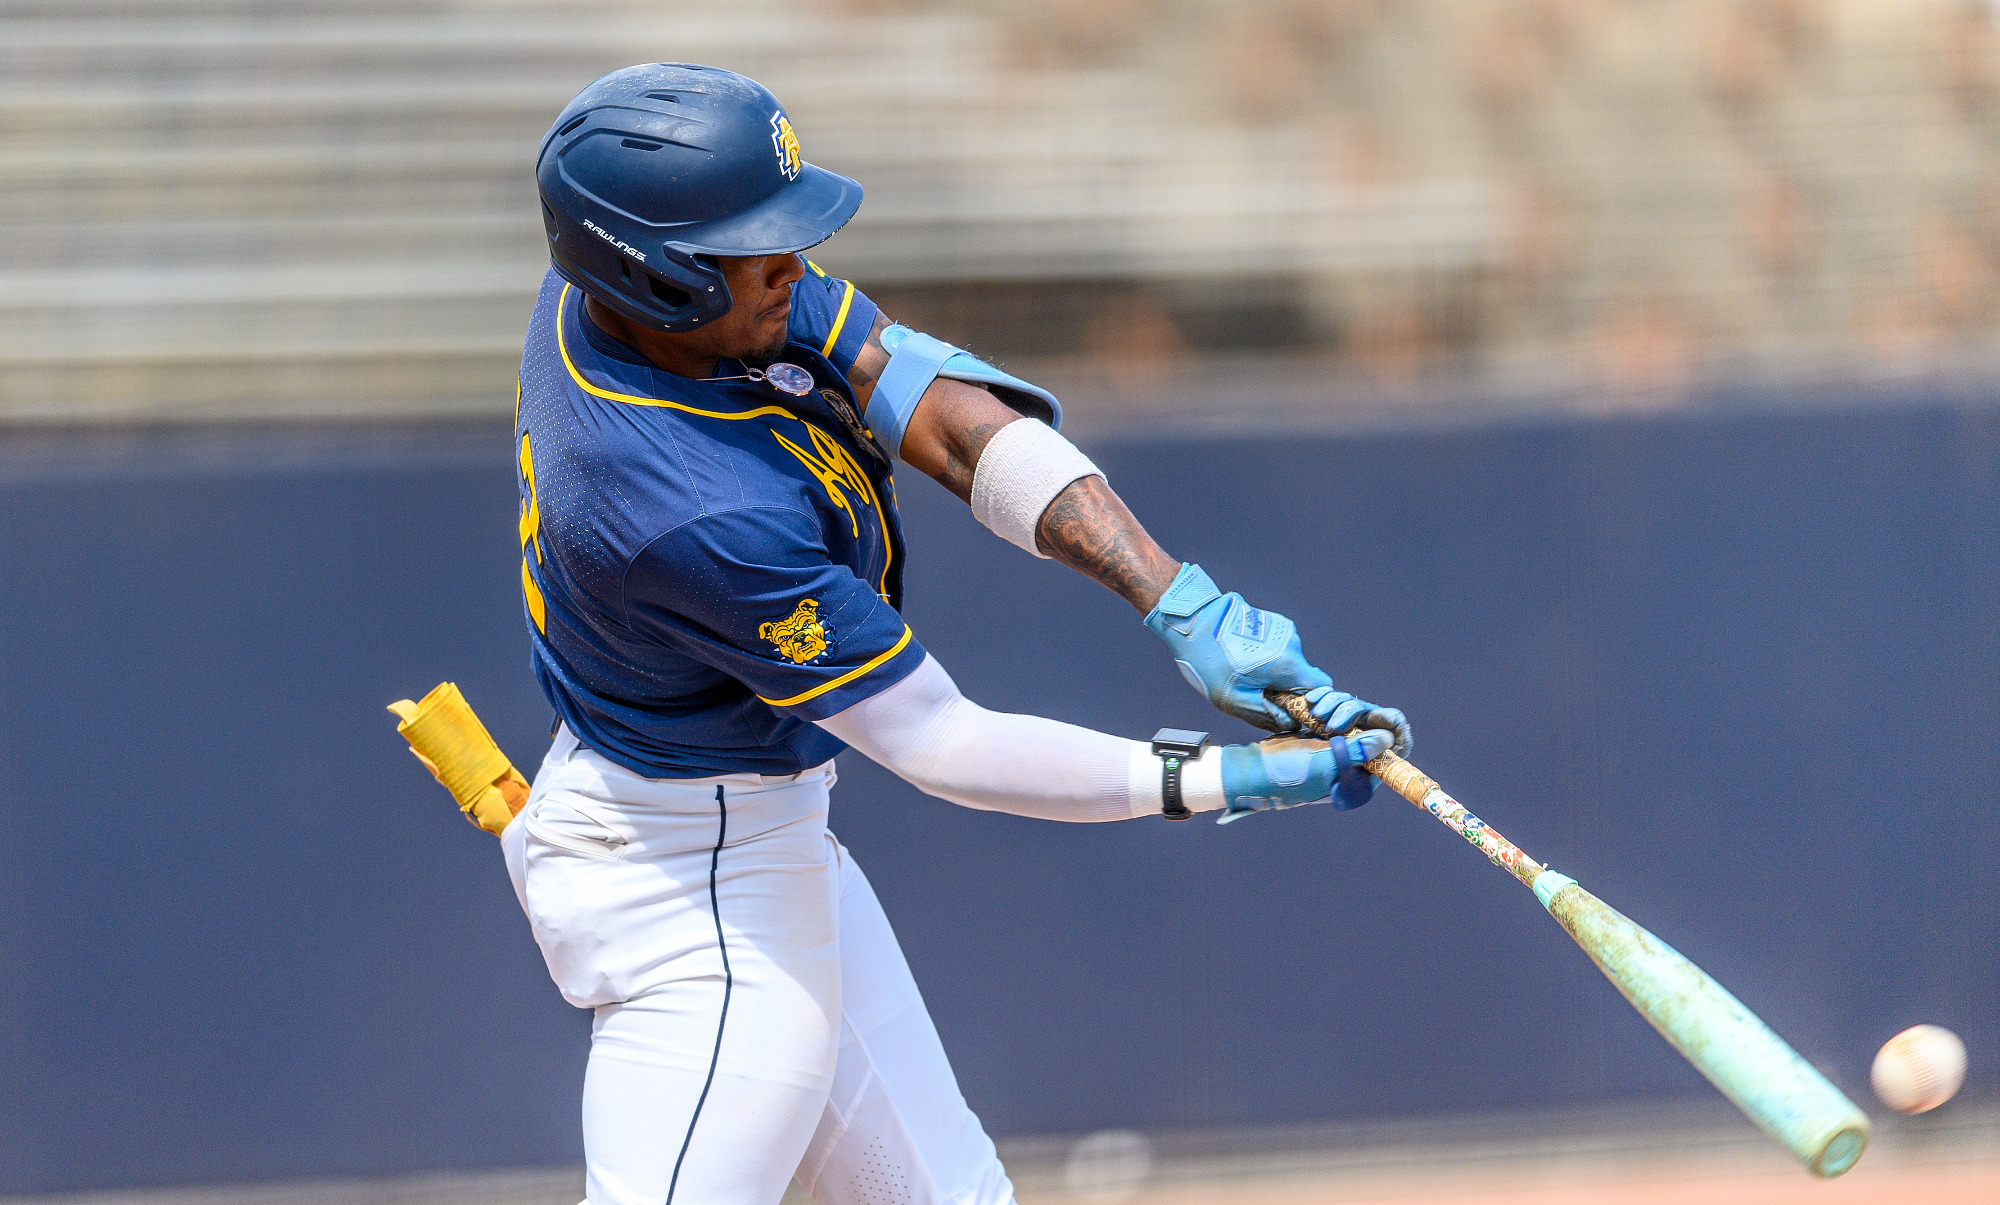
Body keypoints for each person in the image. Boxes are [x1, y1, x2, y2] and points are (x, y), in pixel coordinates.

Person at [508, 63, 1410, 1205]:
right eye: (753, 245)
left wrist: (1180, 600)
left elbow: (933, 408)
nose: (793, 262)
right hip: (699, 911)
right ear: (655, 271)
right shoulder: (681, 505)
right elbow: (944, 744)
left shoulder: (630, 305)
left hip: (754, 849)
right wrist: (1219, 777)